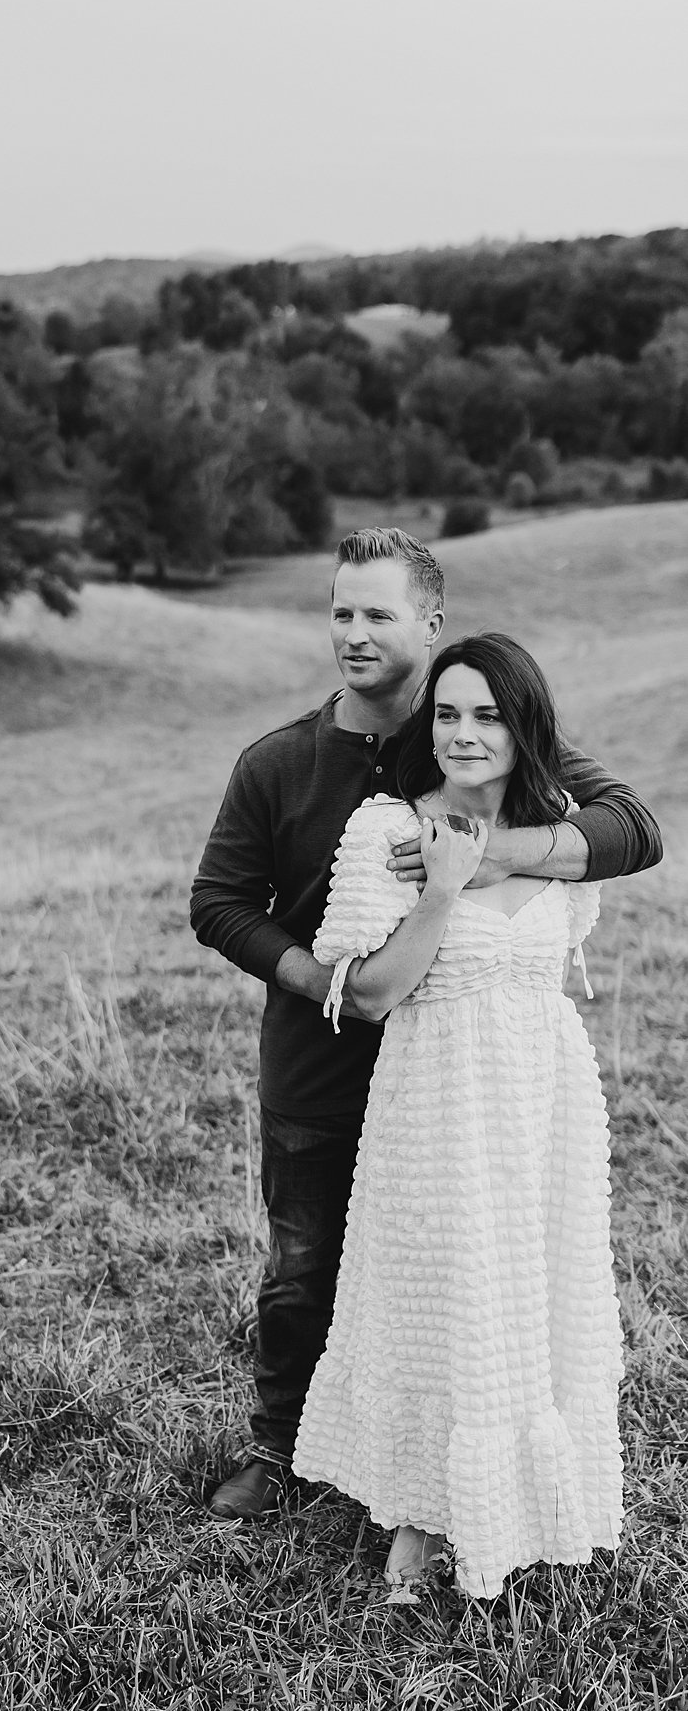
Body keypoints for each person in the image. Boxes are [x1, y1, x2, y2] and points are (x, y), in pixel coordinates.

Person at [189, 529, 661, 1521]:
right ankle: (284, 1454)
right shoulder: (278, 762)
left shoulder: (469, 731)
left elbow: (633, 829)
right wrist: (310, 974)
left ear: (430, 624)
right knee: (307, 1270)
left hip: (457, 1071)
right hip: (321, 1064)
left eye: (379, 614)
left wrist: (503, 852)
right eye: (340, 612)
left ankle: (401, 1477)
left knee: (439, 1277)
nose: (354, 634)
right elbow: (220, 903)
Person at [293, 634, 623, 1596]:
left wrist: (502, 860)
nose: (464, 734)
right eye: (447, 714)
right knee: (448, 1303)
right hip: (439, 1103)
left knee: (532, 1295)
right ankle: (422, 1511)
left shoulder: (561, 835)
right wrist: (440, 890)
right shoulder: (384, 833)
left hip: (544, 1102)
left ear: (526, 730)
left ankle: (530, 1492)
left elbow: (563, 956)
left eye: (487, 715)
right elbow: (368, 998)